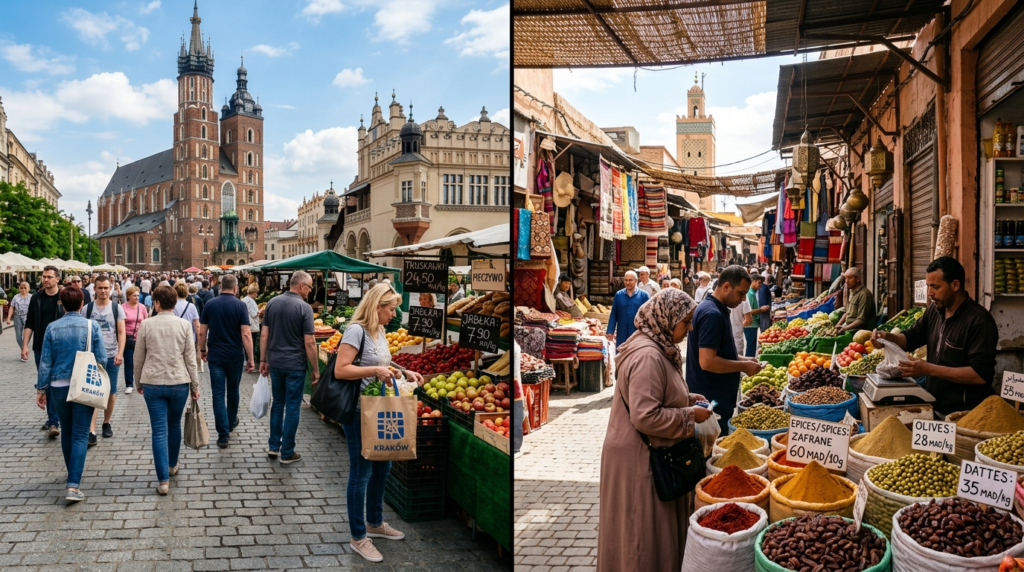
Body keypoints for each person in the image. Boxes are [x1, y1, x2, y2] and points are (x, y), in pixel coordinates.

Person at [596, 289, 712, 572]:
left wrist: (687, 397)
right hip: (639, 461)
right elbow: (646, 416)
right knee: (641, 538)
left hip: (645, 454)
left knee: (646, 533)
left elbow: (656, 394)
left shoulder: (655, 346)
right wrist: (689, 415)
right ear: (666, 318)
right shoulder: (648, 355)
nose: (690, 329)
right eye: (685, 322)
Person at [332, 283, 424, 563]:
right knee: (361, 473)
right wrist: (374, 370)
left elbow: (385, 361)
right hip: (361, 410)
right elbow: (341, 369)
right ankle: (358, 537)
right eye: (391, 308)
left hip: (380, 409)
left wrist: (403, 370)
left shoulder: (380, 331)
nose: (394, 314)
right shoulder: (356, 330)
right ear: (376, 307)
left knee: (383, 467)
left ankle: (374, 522)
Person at [871, 257, 998, 417]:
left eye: (935, 287)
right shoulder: (934, 311)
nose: (930, 293)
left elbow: (979, 375)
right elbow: (910, 338)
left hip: (966, 414)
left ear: (955, 285)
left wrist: (928, 369)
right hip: (934, 405)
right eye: (928, 286)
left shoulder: (979, 321)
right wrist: (886, 338)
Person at [35, 286, 105, 503]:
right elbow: (102, 358)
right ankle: (73, 485)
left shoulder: (52, 327)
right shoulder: (91, 326)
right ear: (82, 304)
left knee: (67, 431)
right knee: (81, 433)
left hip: (58, 385)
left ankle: (71, 475)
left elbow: (46, 361)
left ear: (62, 305)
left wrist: (41, 388)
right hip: (83, 384)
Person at [134, 285, 201, 495]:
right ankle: (172, 465)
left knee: (159, 430)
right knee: (174, 425)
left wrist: (138, 382)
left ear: (156, 302)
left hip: (152, 381)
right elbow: (191, 359)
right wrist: (195, 386)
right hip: (178, 382)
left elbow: (138, 358)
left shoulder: (146, 324)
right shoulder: (183, 325)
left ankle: (163, 480)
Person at [687, 265, 763, 434]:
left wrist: (744, 359)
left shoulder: (715, 309)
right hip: (711, 400)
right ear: (726, 286)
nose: (743, 299)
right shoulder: (712, 314)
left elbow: (719, 352)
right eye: (741, 293)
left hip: (714, 398)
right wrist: (743, 366)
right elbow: (707, 361)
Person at [260, 271, 318, 464]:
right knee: (292, 407)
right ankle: (287, 452)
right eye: (309, 287)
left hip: (276, 362)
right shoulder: (304, 308)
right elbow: (309, 342)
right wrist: (315, 369)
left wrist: (263, 359)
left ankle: (273, 446)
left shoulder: (272, 303)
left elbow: (264, 335)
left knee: (278, 404)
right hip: (295, 364)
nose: (310, 291)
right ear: (301, 286)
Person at [199, 274, 255, 448]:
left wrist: (202, 349)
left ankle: (222, 435)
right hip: (234, 356)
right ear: (236, 287)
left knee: (217, 395)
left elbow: (202, 331)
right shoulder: (240, 305)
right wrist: (251, 358)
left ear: (220, 286)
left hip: (215, 356)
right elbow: (246, 333)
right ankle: (230, 423)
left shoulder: (210, 304)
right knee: (233, 392)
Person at [84, 275, 126, 446]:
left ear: (111, 289)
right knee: (92, 393)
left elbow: (122, 332)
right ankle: (91, 430)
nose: (103, 291)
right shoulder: (87, 309)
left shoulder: (117, 308)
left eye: (106, 288)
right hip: (92, 356)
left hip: (111, 354)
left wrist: (120, 353)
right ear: (94, 289)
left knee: (111, 392)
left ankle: (106, 422)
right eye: (100, 288)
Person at [25, 266, 65, 438]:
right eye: (44, 276)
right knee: (46, 383)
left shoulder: (64, 297)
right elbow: (30, 322)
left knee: (59, 383)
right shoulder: (36, 298)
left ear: (58, 279)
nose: (46, 279)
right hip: (41, 346)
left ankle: (55, 420)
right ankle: (53, 420)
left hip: (61, 347)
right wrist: (24, 345)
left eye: (49, 277)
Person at [605, 271, 650, 347]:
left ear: (636, 281)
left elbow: (648, 315)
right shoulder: (619, 295)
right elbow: (614, 314)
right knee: (621, 354)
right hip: (622, 332)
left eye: (630, 280)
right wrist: (610, 331)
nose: (628, 282)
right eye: (626, 280)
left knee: (636, 355)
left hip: (638, 333)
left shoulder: (644, 295)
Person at [122, 286, 148, 395]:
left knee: (142, 361)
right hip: (128, 338)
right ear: (128, 296)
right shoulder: (122, 307)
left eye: (138, 295)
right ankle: (129, 384)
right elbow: (121, 324)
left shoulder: (142, 307)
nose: (137, 297)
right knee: (128, 362)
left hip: (140, 338)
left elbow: (146, 321)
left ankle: (143, 382)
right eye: (134, 296)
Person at [173, 282, 202, 373]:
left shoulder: (172, 306)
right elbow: (197, 325)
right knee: (189, 359)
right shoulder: (191, 306)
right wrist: (200, 340)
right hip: (189, 336)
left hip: (175, 335)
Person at [838, 267, 877, 332]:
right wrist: (837, 325)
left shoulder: (864, 294)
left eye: (850, 278)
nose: (846, 281)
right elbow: (847, 313)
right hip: (850, 329)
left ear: (858, 279)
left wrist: (845, 328)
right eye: (845, 278)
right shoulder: (852, 292)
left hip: (861, 332)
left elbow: (861, 320)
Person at [745, 274, 770, 357]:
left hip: (753, 323)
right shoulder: (750, 294)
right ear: (753, 281)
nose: (760, 285)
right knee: (751, 347)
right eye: (759, 283)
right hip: (750, 324)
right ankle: (748, 364)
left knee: (752, 345)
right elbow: (749, 311)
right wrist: (761, 310)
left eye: (761, 283)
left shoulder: (752, 292)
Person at [8, 282, 32, 359]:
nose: (23, 289)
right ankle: (24, 350)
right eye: (21, 288)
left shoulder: (32, 297)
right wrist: (8, 318)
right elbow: (12, 308)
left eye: (25, 288)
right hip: (17, 316)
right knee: (18, 335)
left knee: (27, 334)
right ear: (19, 289)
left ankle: (24, 351)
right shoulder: (16, 297)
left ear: (28, 288)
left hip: (28, 317)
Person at [729, 290, 753, 356]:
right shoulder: (744, 297)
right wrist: (738, 325)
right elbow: (748, 320)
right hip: (736, 342)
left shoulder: (719, 297)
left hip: (719, 345)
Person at [244, 283, 261, 364]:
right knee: (252, 344)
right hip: (252, 326)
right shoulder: (250, 301)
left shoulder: (244, 300)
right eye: (256, 293)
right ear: (253, 292)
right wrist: (260, 311)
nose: (257, 294)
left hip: (247, 325)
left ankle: (247, 359)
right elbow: (253, 314)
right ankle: (250, 360)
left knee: (246, 344)